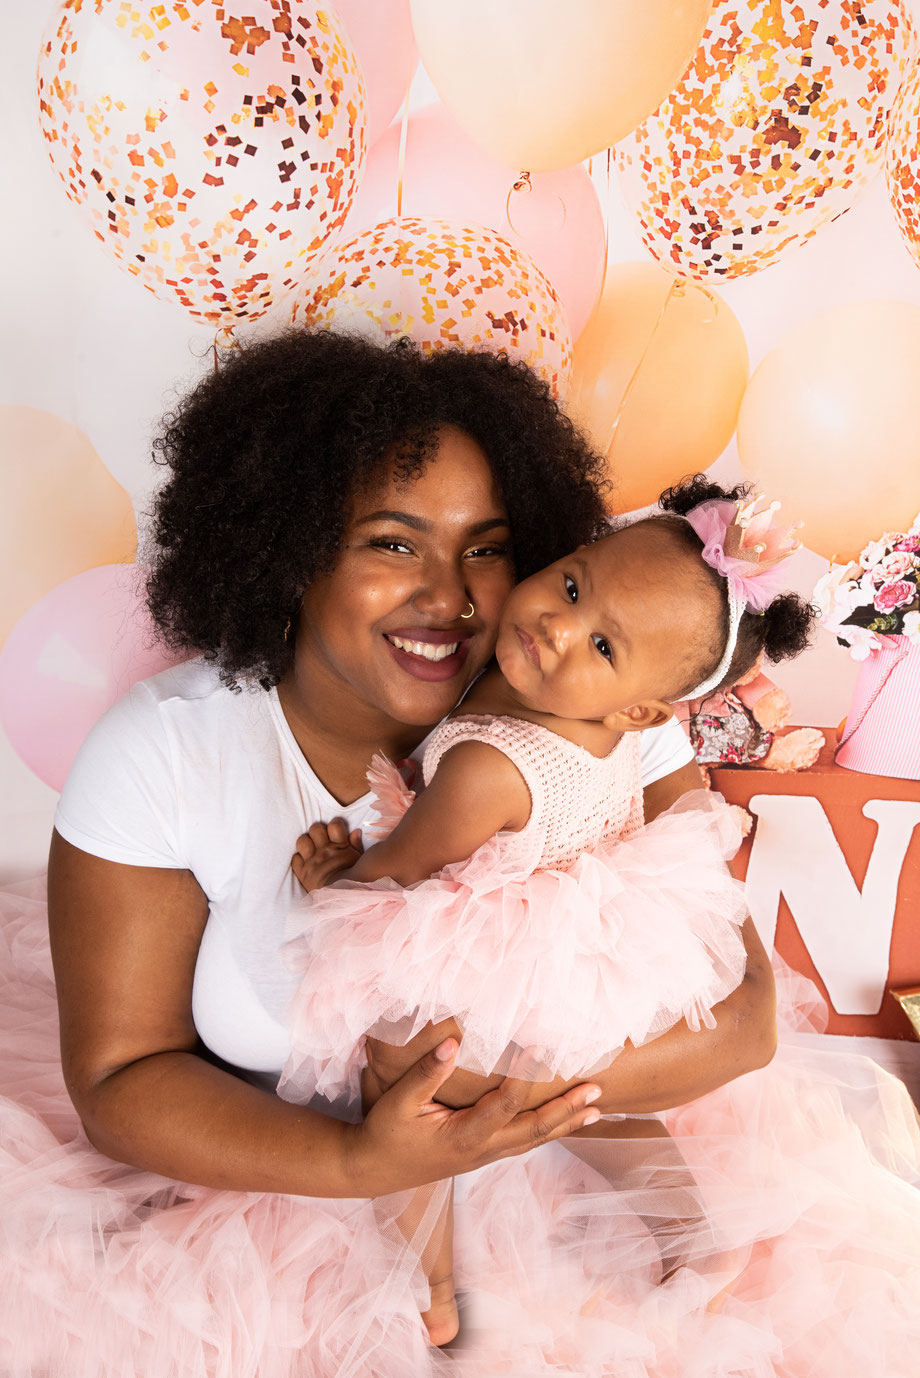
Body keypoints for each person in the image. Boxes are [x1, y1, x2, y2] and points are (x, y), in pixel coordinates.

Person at [1, 331, 778, 1377]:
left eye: (489, 547)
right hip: (285, 1205)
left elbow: (743, 1023)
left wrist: (486, 1097)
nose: (452, 597)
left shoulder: (600, 705)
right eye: (393, 543)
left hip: (572, 1207)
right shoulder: (169, 750)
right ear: (291, 543)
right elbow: (121, 1080)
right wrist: (366, 1156)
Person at [278, 477, 816, 1344]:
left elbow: (400, 875)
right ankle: (690, 1229)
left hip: (501, 952)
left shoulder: (486, 767)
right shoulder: (608, 722)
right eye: (571, 585)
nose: (557, 627)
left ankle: (430, 1288)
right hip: (584, 952)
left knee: (400, 1083)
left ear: (641, 708)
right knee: (597, 1101)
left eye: (601, 644)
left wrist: (330, 884)